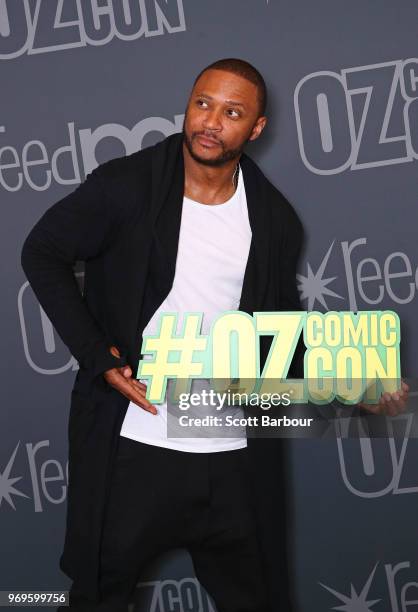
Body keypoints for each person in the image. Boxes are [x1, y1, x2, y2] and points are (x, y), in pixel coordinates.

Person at [21, 58, 408, 612]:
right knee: (96, 599)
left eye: (231, 112)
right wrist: (95, 354)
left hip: (232, 458)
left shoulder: (273, 218)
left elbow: (281, 335)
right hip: (137, 447)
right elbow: (43, 250)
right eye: (203, 103)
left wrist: (360, 386)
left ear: (255, 129)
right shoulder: (128, 187)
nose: (210, 121)